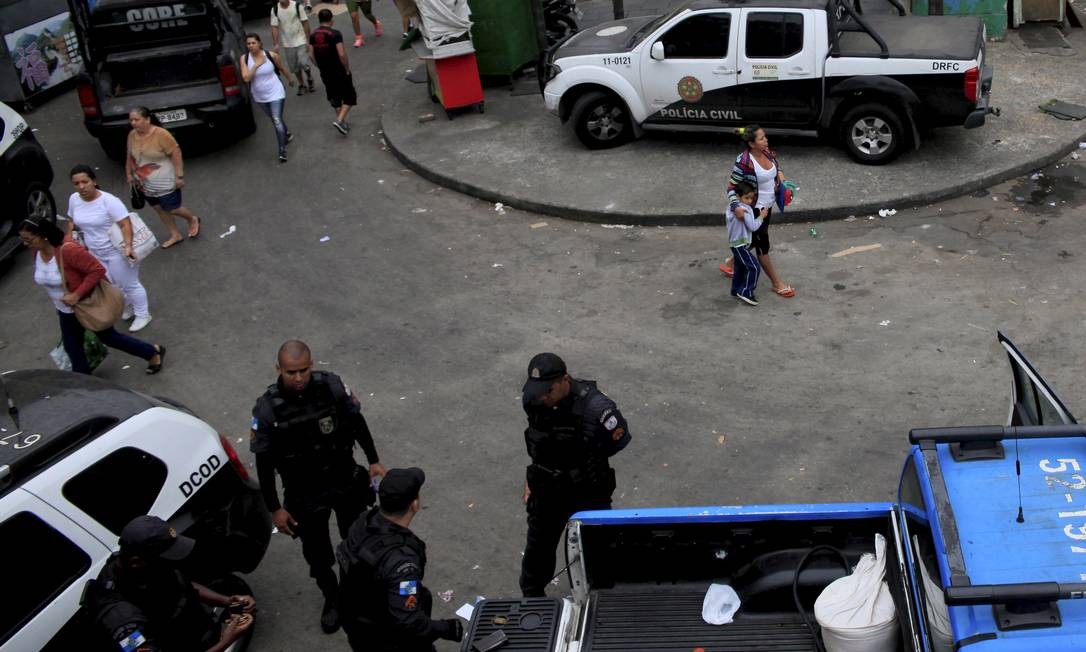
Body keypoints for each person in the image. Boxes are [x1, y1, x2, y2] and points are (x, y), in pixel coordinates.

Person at [251, 339, 387, 633]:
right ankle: (332, 596)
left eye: (302, 371)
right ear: (279, 369)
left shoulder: (332, 387)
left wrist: (374, 460)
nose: (298, 378)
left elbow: (357, 423)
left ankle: (357, 592)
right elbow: (263, 463)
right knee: (317, 553)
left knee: (357, 540)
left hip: (344, 480)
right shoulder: (267, 410)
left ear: (311, 365)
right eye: (291, 373)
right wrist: (274, 508)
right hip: (304, 492)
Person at [519, 353, 631, 597]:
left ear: (565, 380)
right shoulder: (534, 400)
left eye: (549, 390)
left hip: (587, 491)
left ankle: (597, 600)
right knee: (537, 552)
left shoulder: (597, 409)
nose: (543, 397)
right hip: (547, 488)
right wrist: (531, 479)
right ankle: (533, 602)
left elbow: (616, 443)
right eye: (538, 391)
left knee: (596, 550)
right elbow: (538, 442)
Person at [82, 515, 255, 652]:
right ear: (137, 561)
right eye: (167, 556)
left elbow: (181, 583)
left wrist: (227, 601)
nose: (173, 561)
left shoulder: (146, 567)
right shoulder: (122, 620)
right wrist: (227, 641)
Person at [337, 467, 464, 651]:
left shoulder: (364, 521)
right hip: (387, 638)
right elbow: (408, 620)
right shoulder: (402, 563)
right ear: (414, 504)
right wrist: (446, 628)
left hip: (356, 623)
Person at [20, 218, 165, 374]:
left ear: (44, 236)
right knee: (72, 347)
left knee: (110, 338)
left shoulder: (68, 250)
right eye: (22, 239)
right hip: (65, 311)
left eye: (28, 239)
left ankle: (152, 352)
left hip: (85, 306)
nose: (25, 244)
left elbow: (97, 270)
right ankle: (85, 382)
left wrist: (77, 294)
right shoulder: (37, 252)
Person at [67, 164, 153, 333]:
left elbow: (125, 224)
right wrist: (70, 239)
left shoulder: (109, 201)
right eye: (76, 183)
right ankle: (127, 307)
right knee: (112, 284)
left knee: (129, 284)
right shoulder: (74, 199)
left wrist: (128, 247)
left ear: (94, 181)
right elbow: (72, 220)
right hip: (94, 252)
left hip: (116, 252)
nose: (81, 187)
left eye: (85, 181)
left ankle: (143, 314)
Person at [722, 125, 796, 298]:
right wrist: (736, 207)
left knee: (753, 238)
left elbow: (776, 168)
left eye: (765, 137)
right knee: (762, 245)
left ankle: (731, 263)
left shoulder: (767, 152)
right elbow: (731, 188)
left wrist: (783, 181)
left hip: (767, 208)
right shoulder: (744, 161)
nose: (766, 140)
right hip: (754, 211)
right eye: (762, 138)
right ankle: (777, 284)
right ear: (751, 143)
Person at [125, 107, 201, 250]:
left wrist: (179, 176)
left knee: (172, 208)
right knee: (158, 208)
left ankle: (192, 219)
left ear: (147, 119)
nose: (133, 123)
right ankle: (175, 234)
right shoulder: (131, 135)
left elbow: (176, 153)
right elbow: (129, 156)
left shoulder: (161, 134)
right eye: (131, 120)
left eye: (137, 119)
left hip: (165, 181)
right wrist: (129, 174)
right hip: (145, 183)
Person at [240, 33, 295, 162]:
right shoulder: (245, 58)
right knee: (274, 118)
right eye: (248, 44)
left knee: (276, 119)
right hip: (259, 95)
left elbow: (281, 68)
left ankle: (282, 150)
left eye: (253, 43)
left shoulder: (271, 55)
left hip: (276, 91)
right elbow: (246, 78)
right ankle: (286, 133)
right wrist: (256, 65)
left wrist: (290, 79)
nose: (251, 46)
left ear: (259, 43)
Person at [309, 9, 357, 135]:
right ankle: (340, 120)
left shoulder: (313, 35)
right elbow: (341, 54)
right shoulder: (335, 34)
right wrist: (346, 68)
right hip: (338, 70)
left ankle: (342, 123)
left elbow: (310, 55)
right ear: (331, 19)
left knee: (334, 97)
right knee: (350, 96)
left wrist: (319, 66)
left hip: (325, 72)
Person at [726, 181, 765, 306]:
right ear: (738, 196)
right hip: (740, 245)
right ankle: (746, 292)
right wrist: (761, 216)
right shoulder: (745, 210)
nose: (749, 201)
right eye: (746, 198)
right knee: (754, 267)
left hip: (734, 243)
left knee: (740, 268)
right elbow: (753, 227)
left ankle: (736, 290)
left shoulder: (732, 207)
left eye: (751, 198)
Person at [271, 0, 316, 96]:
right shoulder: (275, 10)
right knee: (294, 66)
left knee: (303, 62)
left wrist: (308, 40)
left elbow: (305, 22)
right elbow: (274, 27)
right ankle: (301, 84)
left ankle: (309, 77)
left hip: (301, 39)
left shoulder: (297, 6)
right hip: (287, 43)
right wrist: (276, 44)